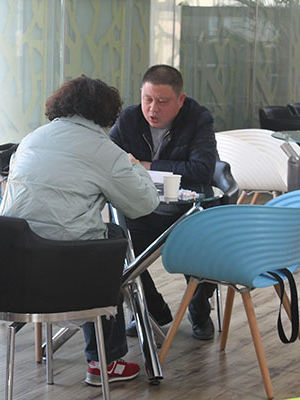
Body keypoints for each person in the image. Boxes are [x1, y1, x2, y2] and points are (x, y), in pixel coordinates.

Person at [0, 75, 160, 386]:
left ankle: (103, 349)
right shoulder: (103, 150)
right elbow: (144, 204)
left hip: (10, 273)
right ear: (107, 114)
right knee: (112, 239)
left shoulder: (32, 138)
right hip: (64, 275)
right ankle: (105, 361)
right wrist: (134, 165)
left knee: (90, 236)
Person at [109, 64, 218, 340]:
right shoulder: (129, 119)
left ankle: (199, 308)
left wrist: (147, 165)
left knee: (204, 251)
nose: (152, 109)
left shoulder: (198, 119)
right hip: (142, 208)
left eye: (162, 101)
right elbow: (110, 161)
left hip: (188, 210)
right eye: (147, 99)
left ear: (180, 100)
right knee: (117, 245)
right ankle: (151, 309)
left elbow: (202, 170)